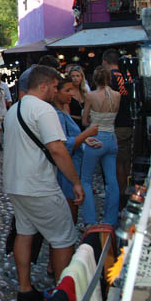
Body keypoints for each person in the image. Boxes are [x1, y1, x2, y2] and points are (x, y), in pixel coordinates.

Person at [3, 66, 84, 301]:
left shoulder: (14, 110)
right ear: (44, 86)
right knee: (63, 238)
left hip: (15, 183)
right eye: (56, 87)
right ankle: (62, 296)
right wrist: (75, 182)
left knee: (25, 233)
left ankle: (25, 289)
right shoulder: (44, 110)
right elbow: (57, 149)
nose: (57, 91)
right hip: (39, 185)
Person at [53, 77, 98, 222]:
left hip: (73, 165)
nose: (71, 93)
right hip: (66, 169)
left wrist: (84, 139)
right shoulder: (57, 114)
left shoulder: (63, 111)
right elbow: (64, 144)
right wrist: (87, 133)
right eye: (67, 90)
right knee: (69, 212)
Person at [80, 66, 121, 226]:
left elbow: (84, 121)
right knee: (112, 180)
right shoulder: (117, 96)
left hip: (95, 137)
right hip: (111, 137)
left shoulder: (91, 96)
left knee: (86, 179)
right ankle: (110, 219)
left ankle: (90, 220)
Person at [102, 48, 132, 207]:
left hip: (115, 124)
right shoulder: (127, 75)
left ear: (105, 62)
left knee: (117, 164)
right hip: (127, 122)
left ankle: (120, 197)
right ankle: (125, 192)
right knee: (126, 162)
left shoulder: (108, 78)